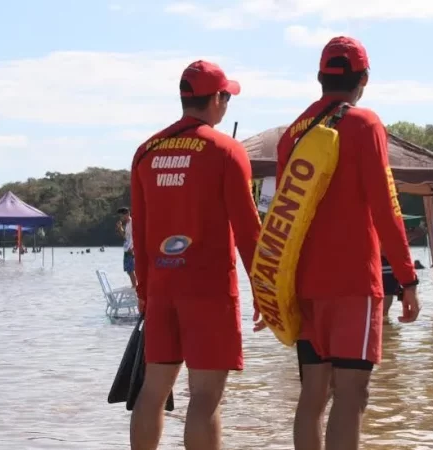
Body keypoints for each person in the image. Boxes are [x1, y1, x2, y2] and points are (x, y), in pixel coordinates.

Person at [276, 36, 421, 450]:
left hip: (302, 285)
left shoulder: (293, 134)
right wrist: (407, 279)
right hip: (353, 283)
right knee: (352, 395)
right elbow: (385, 206)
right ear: (365, 79)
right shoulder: (364, 123)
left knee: (312, 395)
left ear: (321, 77)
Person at [128, 60, 262, 450]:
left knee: (153, 390)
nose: (227, 105)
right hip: (209, 290)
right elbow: (248, 231)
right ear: (217, 98)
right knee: (205, 396)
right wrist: (265, 290)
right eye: (227, 97)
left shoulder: (146, 151)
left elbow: (140, 229)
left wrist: (145, 293)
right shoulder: (226, 150)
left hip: (162, 289)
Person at [382, 224, 426, 318]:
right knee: (385, 303)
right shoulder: (389, 224)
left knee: (388, 301)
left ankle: (386, 326)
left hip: (388, 267)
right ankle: (385, 325)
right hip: (386, 267)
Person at [116, 207, 137, 288]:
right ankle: (134, 285)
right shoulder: (127, 224)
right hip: (126, 248)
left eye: (122, 216)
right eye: (120, 216)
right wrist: (120, 228)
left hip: (130, 248)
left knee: (131, 269)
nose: (121, 218)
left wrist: (133, 248)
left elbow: (135, 235)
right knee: (128, 270)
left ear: (127, 214)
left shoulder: (132, 222)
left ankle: (135, 286)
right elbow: (125, 236)